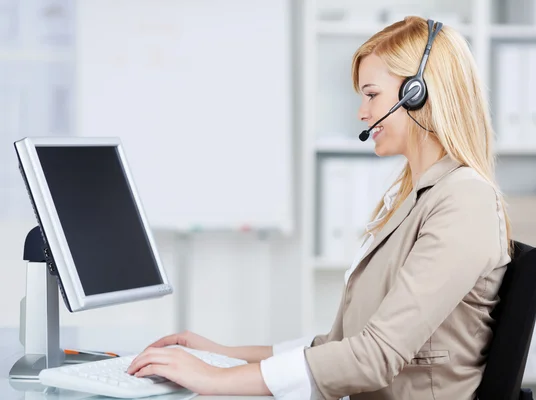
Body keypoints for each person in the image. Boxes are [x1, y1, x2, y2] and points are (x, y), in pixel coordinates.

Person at [126, 16, 512, 400]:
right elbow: (338, 345)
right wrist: (221, 357)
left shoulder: (464, 200)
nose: (362, 112)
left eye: (372, 94)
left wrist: (214, 380)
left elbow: (373, 357)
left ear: (418, 93)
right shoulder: (415, 198)